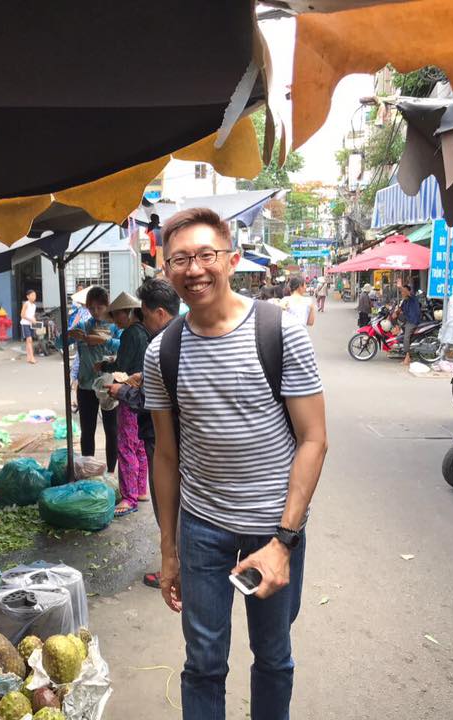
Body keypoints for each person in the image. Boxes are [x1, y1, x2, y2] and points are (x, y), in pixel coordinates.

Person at [144, 208, 327, 720]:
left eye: (206, 255)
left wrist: (284, 543)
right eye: (180, 259)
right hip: (203, 529)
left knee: (272, 658)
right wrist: (169, 550)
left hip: (275, 527)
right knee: (202, 662)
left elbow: (314, 441)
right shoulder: (163, 351)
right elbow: (166, 454)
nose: (194, 268)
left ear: (232, 259)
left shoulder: (281, 332)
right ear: (166, 270)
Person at [106, 277, 181, 588]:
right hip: (180, 437)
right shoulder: (186, 336)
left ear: (160, 313)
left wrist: (120, 390)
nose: (142, 321)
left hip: (162, 438)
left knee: (167, 506)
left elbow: (149, 400)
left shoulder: (159, 345)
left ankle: (172, 570)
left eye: (145, 315)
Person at [97, 292, 150, 517]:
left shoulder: (130, 333)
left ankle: (129, 498)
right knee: (139, 444)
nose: (116, 319)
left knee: (126, 446)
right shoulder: (146, 331)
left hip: (129, 392)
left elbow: (123, 364)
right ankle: (140, 489)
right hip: (145, 393)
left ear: (128, 312)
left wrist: (104, 366)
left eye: (117, 314)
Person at [68, 287, 121, 472]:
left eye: (100, 307)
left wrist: (103, 341)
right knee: (87, 431)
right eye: (91, 308)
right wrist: (68, 336)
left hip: (109, 385)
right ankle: (88, 470)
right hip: (85, 385)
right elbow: (60, 343)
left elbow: (125, 346)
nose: (96, 312)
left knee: (112, 431)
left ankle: (112, 471)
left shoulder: (115, 326)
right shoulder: (83, 325)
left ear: (107, 306)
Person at [398, 283, 422, 367]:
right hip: (407, 320)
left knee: (406, 337)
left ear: (408, 291)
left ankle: (407, 357)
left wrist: (400, 286)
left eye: (403, 291)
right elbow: (400, 309)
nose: (402, 293)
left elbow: (407, 292)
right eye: (401, 291)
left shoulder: (413, 298)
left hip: (413, 321)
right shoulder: (405, 301)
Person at [20, 289, 38, 364]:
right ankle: (32, 358)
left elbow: (32, 315)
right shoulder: (26, 304)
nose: (34, 297)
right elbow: (22, 315)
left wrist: (35, 321)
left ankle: (28, 357)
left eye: (35, 295)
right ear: (28, 296)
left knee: (29, 341)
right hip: (25, 324)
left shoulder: (34, 305)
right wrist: (31, 319)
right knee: (29, 339)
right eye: (32, 295)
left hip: (31, 324)